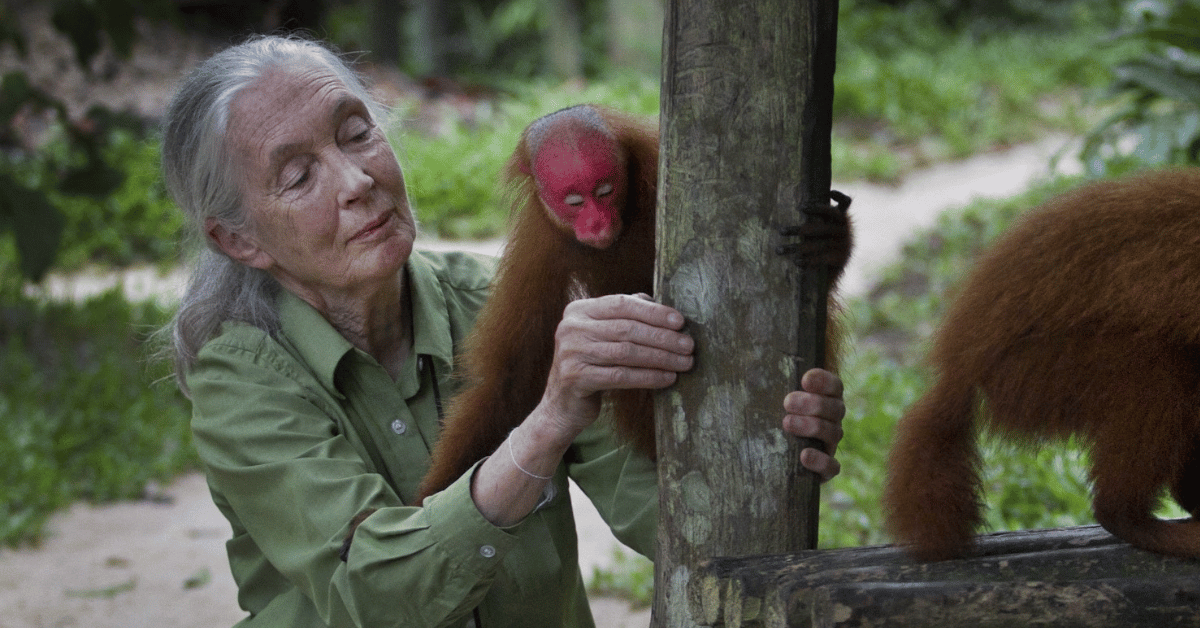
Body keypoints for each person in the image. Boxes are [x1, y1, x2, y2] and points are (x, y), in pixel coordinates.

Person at [161, 34, 847, 628]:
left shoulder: (494, 301)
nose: (357, 181)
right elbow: (376, 593)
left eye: (357, 134)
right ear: (238, 239)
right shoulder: (240, 383)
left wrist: (764, 447)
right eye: (299, 175)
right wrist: (545, 425)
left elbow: (661, 513)